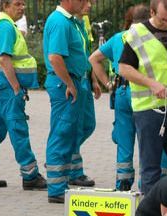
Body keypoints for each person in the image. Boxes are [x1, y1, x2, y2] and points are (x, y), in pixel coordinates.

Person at [119, 0, 167, 195]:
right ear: (152, 12)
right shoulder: (137, 33)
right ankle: (149, 213)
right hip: (148, 108)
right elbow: (124, 68)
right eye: (163, 19)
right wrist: (151, 83)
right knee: (150, 166)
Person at [0, 0, 46, 189]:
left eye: (24, 4)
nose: (22, 8)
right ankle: (30, 175)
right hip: (6, 87)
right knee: (18, 128)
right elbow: (4, 59)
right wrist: (16, 87)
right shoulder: (5, 26)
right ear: (6, 5)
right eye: (18, 4)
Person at [90, 5, 149, 191]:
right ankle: (146, 186)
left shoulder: (118, 37)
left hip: (121, 91)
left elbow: (93, 59)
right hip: (144, 93)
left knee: (124, 141)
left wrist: (108, 84)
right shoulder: (151, 37)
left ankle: (123, 184)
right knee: (147, 141)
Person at [43, 0, 91, 203]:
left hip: (74, 81)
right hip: (64, 84)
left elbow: (81, 54)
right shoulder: (60, 21)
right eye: (83, 0)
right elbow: (55, 57)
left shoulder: (72, 21)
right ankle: (56, 188)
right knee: (62, 133)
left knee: (77, 129)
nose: (87, 4)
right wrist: (69, 84)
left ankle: (63, 174)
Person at [69, 0, 100, 188]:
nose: (90, 5)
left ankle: (64, 157)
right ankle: (71, 168)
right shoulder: (66, 21)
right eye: (86, 1)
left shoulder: (83, 22)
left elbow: (87, 54)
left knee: (88, 124)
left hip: (85, 80)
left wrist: (94, 80)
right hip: (73, 81)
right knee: (72, 128)